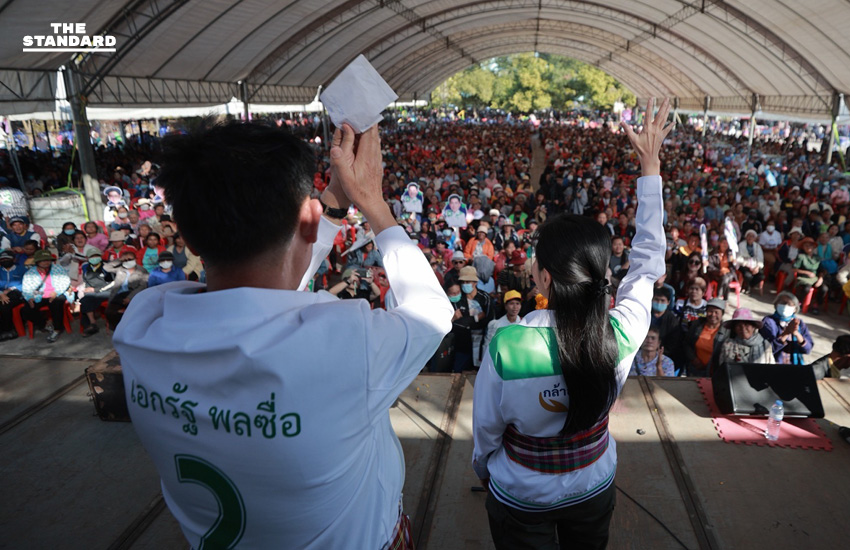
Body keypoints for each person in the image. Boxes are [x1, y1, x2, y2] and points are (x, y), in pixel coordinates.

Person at [113, 121, 452, 549]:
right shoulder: (349, 344)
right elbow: (432, 313)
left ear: (186, 234)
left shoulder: (142, 326)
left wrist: (329, 205)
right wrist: (372, 202)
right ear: (307, 220)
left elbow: (264, 296)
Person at [472, 98, 671, 549]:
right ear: (604, 277)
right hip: (593, 484)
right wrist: (650, 168)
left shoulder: (508, 343)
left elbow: (486, 431)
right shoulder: (622, 332)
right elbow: (646, 264)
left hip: (522, 493)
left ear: (542, 275)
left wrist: (485, 471)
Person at [20, 250, 70, 343]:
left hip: (55, 291)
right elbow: (26, 288)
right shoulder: (30, 273)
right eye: (43, 260)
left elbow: (65, 281)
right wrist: (29, 297)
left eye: (48, 259)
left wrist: (56, 292)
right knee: (27, 309)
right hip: (39, 293)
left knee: (57, 302)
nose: (46, 262)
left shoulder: (57, 268)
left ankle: (57, 329)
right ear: (37, 261)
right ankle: (45, 324)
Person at [759, 292, 814, 365]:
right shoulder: (768, 321)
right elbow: (767, 349)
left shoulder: (799, 323)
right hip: (773, 363)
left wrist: (797, 334)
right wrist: (786, 333)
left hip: (793, 365)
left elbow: (808, 349)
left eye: (789, 304)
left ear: (795, 309)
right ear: (776, 305)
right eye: (782, 303)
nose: (785, 306)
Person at [103, 247, 148, 330]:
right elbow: (106, 267)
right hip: (118, 294)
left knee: (133, 312)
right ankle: (116, 329)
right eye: (125, 260)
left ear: (135, 259)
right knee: (109, 312)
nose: (128, 261)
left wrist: (130, 297)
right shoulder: (120, 269)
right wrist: (119, 260)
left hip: (133, 295)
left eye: (130, 259)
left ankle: (129, 327)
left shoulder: (142, 270)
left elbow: (142, 286)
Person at [683, 298, 727, 377]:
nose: (713, 315)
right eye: (710, 311)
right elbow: (687, 344)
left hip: (714, 372)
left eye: (716, 312)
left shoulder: (726, 331)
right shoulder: (697, 325)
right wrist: (694, 359)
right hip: (695, 369)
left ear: (722, 314)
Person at [79, 248, 114, 336]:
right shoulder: (85, 267)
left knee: (90, 298)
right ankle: (91, 323)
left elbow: (113, 283)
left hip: (107, 290)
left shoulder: (107, 267)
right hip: (92, 291)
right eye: (92, 256)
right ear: (87, 258)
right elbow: (86, 280)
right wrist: (87, 289)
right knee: (85, 300)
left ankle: (92, 324)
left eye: (96, 256)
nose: (94, 258)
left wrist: (96, 290)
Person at [0, 249, 27, 341]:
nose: (4, 261)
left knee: (5, 305)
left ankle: (8, 330)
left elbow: (26, 283)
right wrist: (1, 294)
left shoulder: (22, 269)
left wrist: (10, 289)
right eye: (2, 259)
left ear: (14, 259)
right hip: (1, 293)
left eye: (7, 259)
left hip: (17, 293)